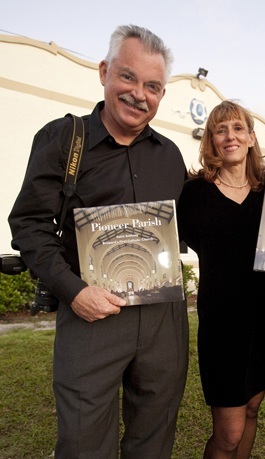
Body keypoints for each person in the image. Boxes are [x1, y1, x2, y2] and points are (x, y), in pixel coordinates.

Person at [8, 25, 188, 459]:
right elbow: (29, 225)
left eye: (153, 86)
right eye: (127, 77)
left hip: (163, 320)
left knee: (154, 435)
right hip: (91, 315)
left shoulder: (170, 155)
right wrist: (74, 291)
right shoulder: (63, 140)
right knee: (83, 442)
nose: (139, 94)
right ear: (105, 72)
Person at [177, 100, 265, 459]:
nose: (230, 136)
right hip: (222, 324)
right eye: (220, 130)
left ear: (252, 138)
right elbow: (197, 241)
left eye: (238, 128)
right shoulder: (193, 194)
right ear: (211, 140)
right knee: (228, 432)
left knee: (252, 410)